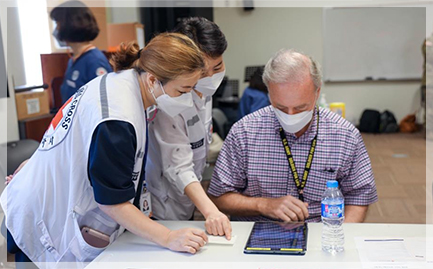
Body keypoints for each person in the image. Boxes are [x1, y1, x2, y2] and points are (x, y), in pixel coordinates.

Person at [1, 33, 210, 268]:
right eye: (182, 91)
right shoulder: (117, 118)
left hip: (49, 194)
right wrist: (168, 237)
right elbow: (112, 202)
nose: (187, 99)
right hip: (46, 215)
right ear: (152, 80)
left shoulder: (125, 83)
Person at [208, 49, 378, 223]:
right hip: (257, 232)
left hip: (320, 233)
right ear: (269, 94)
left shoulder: (345, 135)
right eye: (281, 108)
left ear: (317, 93)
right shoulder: (244, 132)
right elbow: (219, 197)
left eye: (300, 108)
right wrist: (263, 205)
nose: (290, 115)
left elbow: (359, 196)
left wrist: (338, 238)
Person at [145, 17, 232, 238]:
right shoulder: (171, 99)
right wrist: (211, 210)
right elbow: (178, 166)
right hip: (163, 204)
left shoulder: (206, 92)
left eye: (218, 67)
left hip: (188, 199)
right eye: (203, 72)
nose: (211, 77)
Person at [51, 0, 113, 103]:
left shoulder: (94, 61)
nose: (56, 29)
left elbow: (105, 102)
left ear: (70, 25)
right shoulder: (73, 60)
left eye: (58, 23)